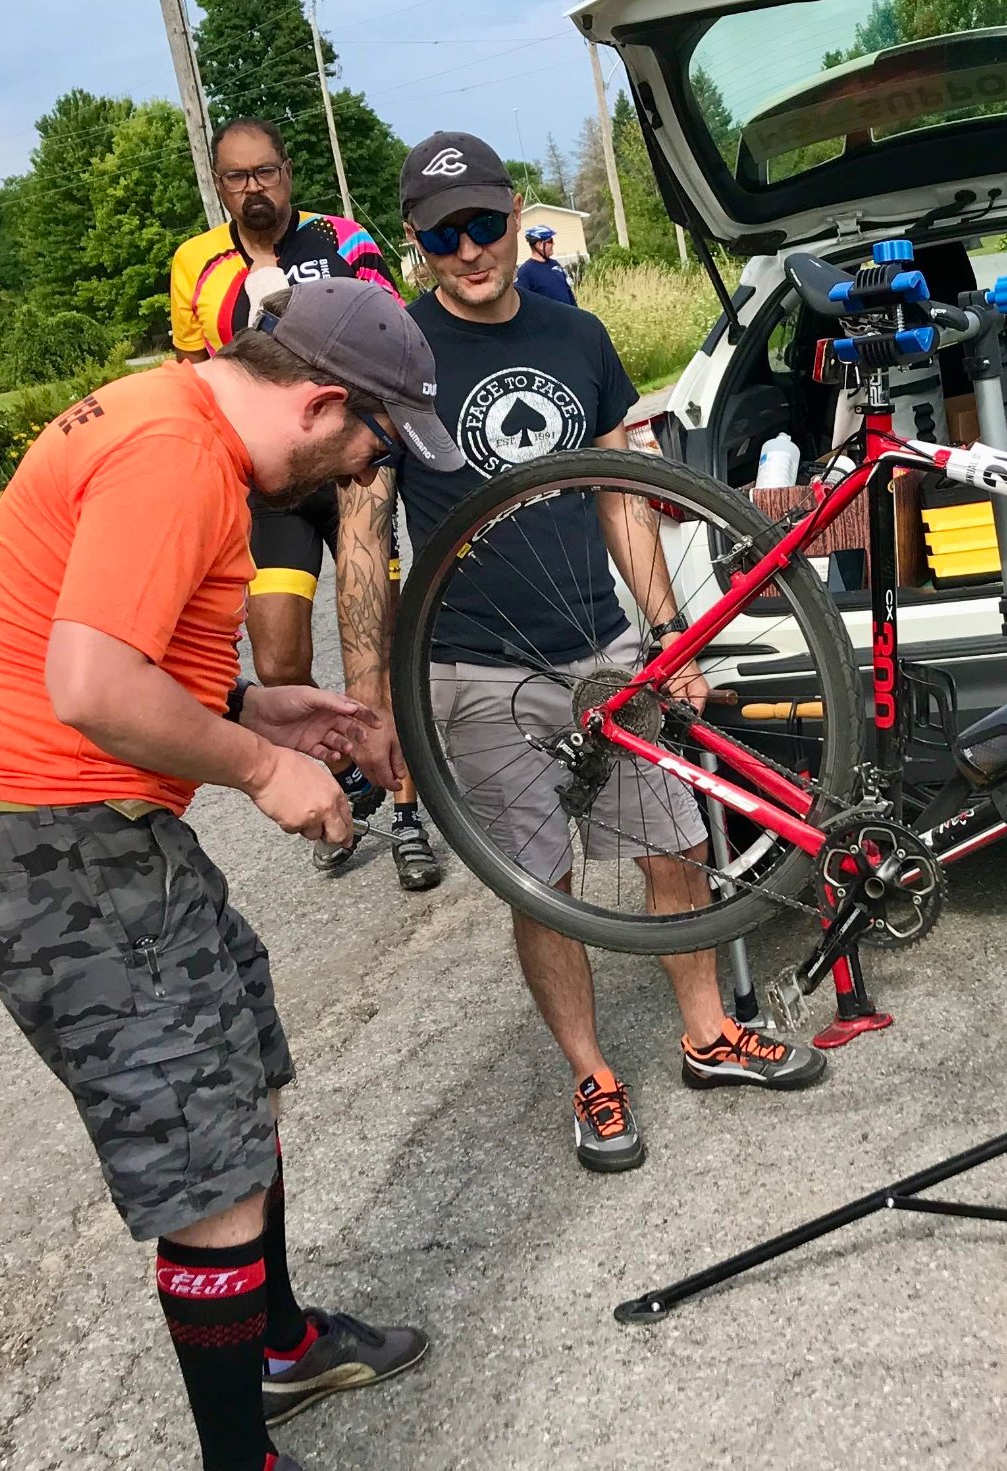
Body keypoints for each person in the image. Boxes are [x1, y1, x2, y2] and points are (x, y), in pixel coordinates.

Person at [0, 277, 466, 1471]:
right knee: (205, 1168)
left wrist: (254, 706)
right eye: (371, 444)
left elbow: (100, 649)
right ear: (320, 402)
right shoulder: (174, 454)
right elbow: (90, 687)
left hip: (104, 834)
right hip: (57, 846)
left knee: (240, 1081)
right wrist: (262, 771)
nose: (365, 470)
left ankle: (278, 1347)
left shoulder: (170, 422)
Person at [333, 131, 828, 1175]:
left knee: (672, 845)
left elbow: (622, 493)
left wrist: (667, 635)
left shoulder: (578, 334)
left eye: (483, 224)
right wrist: (373, 702)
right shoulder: (397, 356)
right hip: (476, 666)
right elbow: (364, 536)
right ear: (414, 241)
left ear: (517, 214)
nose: (469, 251)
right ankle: (592, 1073)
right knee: (539, 881)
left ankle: (708, 1036)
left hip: (603, 649)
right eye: (443, 237)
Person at [170, 117, 443, 890]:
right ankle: (344, 779)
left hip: (352, 464)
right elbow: (196, 376)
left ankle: (407, 810)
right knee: (279, 660)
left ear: (288, 173)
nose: (253, 188)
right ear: (218, 184)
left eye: (266, 172)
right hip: (272, 483)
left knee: (371, 647)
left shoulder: (344, 240)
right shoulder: (195, 264)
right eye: (237, 177)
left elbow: (390, 340)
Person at [514, 224, 577, 305]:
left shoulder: (555, 264)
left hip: (568, 312)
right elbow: (522, 302)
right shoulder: (525, 271)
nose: (553, 244)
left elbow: (568, 291)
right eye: (550, 241)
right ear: (539, 245)